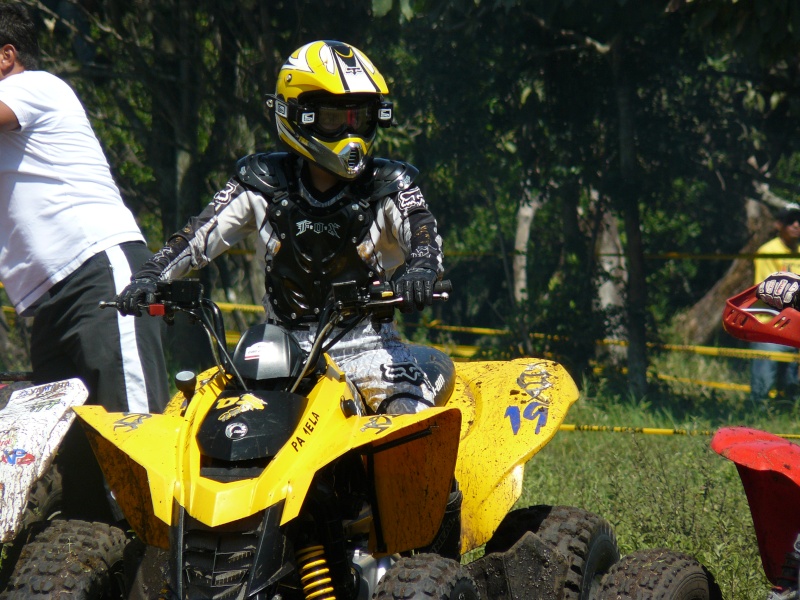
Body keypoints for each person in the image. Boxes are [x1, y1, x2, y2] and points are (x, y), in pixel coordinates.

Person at [117, 40, 460, 557]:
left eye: (360, 117)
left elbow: (426, 239)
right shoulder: (259, 179)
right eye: (333, 118)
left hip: (367, 349)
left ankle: (431, 561)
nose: (350, 133)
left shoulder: (392, 183)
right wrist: (150, 275)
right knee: (185, 422)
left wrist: (419, 272)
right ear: (294, 114)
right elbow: (197, 237)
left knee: (410, 430)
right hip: (273, 352)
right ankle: (173, 551)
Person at [0, 2, 168, 519]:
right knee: (75, 471)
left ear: (6, 56)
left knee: (135, 443)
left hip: (100, 273)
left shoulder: (33, 87)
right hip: (48, 304)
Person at [749, 202, 800, 404]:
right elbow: (768, 291)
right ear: (779, 225)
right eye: (790, 221)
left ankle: (787, 420)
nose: (796, 225)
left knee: (792, 386)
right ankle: (755, 421)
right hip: (769, 326)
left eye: (799, 221)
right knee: (763, 386)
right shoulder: (767, 251)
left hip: (796, 327)